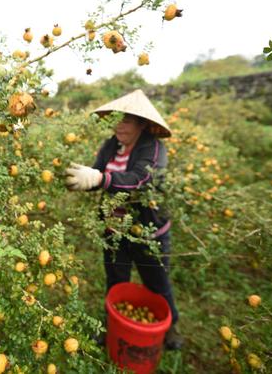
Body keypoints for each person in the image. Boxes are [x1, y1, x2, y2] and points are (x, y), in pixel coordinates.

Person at [64, 89, 183, 350]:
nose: (119, 125)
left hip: (147, 233)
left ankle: (171, 325)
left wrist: (101, 179)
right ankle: (112, 327)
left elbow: (142, 179)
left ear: (142, 123)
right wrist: (85, 179)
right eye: (117, 119)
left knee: (157, 283)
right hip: (114, 231)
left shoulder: (153, 147)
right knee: (116, 281)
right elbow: (99, 175)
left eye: (126, 120)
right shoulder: (111, 145)